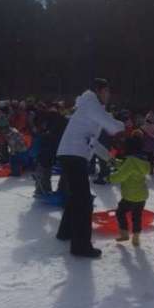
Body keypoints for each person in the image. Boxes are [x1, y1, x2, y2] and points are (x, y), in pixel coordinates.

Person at [55, 78, 124, 258]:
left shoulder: (90, 107)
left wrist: (109, 158)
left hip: (72, 154)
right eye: (106, 91)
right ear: (98, 91)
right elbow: (112, 127)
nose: (109, 95)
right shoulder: (91, 104)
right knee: (84, 201)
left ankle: (65, 232)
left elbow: (91, 141)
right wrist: (123, 125)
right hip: (74, 155)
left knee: (77, 197)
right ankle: (80, 246)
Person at [109, 133, 150, 247]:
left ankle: (124, 234)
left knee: (120, 212)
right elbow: (127, 167)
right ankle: (136, 238)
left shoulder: (131, 161)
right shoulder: (142, 160)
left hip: (130, 195)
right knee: (137, 216)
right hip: (142, 195)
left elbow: (121, 175)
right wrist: (116, 163)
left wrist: (109, 178)